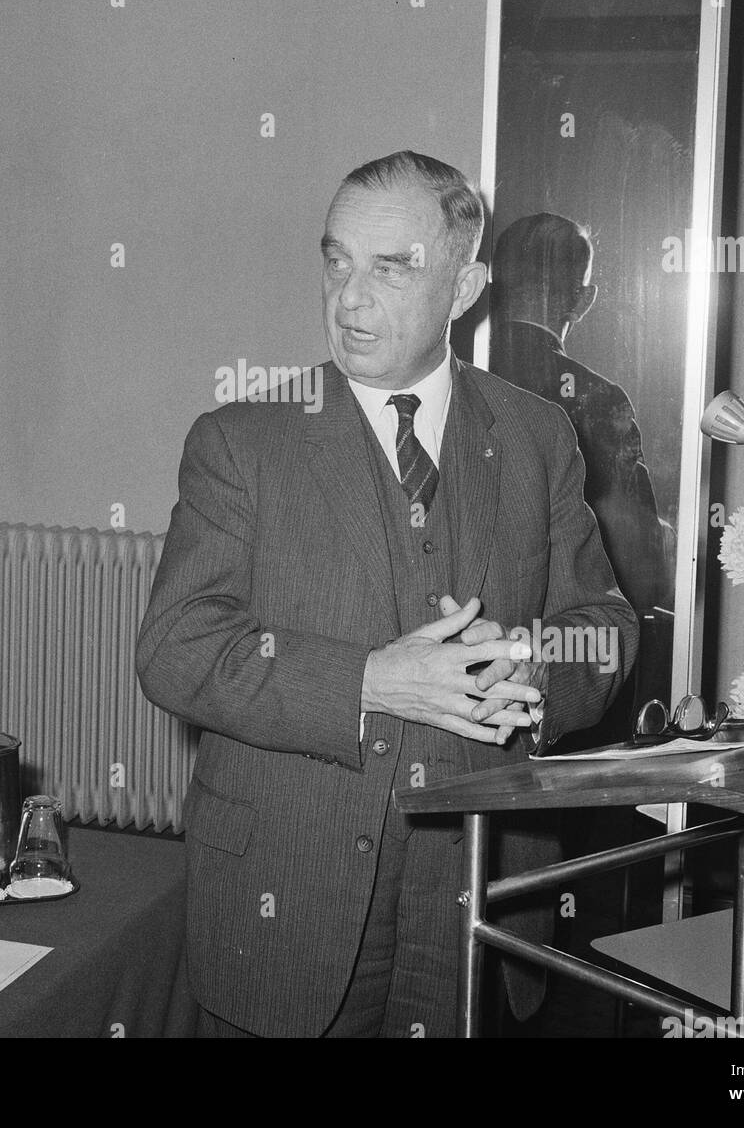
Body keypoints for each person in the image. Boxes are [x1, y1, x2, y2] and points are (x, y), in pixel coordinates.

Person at [136, 151, 637, 1038]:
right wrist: (367, 681)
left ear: (466, 284)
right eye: (337, 262)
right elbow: (176, 646)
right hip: (284, 899)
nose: (351, 297)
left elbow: (602, 630)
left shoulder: (536, 436)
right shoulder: (241, 441)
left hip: (479, 894)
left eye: (391, 267)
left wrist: (530, 665)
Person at [489, 213, 674, 705]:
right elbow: (639, 557)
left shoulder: (456, 377)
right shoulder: (597, 397)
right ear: (582, 299)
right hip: (565, 663)